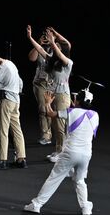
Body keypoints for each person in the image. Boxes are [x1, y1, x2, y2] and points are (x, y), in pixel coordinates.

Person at [24, 89, 98, 215]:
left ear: (77, 101)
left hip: (70, 153)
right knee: (79, 181)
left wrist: (48, 102)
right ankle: (86, 208)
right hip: (86, 155)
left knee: (54, 178)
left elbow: (50, 113)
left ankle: (36, 204)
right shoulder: (95, 115)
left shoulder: (71, 112)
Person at [0, 49, 27, 169]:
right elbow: (20, 82)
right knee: (17, 130)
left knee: (3, 130)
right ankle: (21, 159)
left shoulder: (1, 69)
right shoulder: (11, 64)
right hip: (16, 100)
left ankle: (2, 160)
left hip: (6, 101)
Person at [42, 28, 73, 163]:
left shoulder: (68, 62)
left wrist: (53, 40)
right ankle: (58, 149)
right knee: (55, 124)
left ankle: (62, 153)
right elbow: (41, 50)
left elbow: (61, 53)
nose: (56, 48)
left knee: (61, 126)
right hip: (54, 94)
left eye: (59, 47)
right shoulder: (54, 62)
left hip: (62, 95)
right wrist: (30, 38)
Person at [27, 25, 53, 145]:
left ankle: (54, 133)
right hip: (40, 83)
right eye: (45, 35)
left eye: (48, 35)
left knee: (52, 109)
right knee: (43, 109)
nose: (46, 38)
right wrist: (38, 43)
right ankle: (46, 135)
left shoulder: (56, 48)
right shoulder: (40, 47)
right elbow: (31, 58)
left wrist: (52, 43)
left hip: (52, 83)